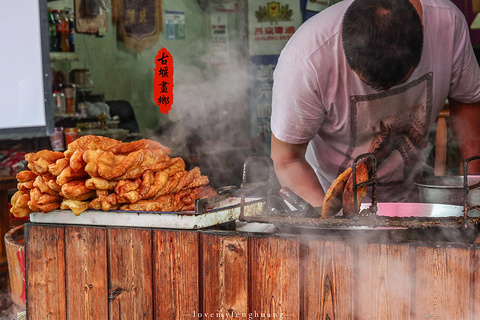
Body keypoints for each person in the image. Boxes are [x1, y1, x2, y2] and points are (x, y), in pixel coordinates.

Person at [270, 0, 480, 207]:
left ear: (422, 34)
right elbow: (287, 160)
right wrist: (329, 230)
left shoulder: (448, 25)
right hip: (329, 200)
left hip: (412, 199)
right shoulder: (307, 59)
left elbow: (468, 100)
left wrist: (474, 197)